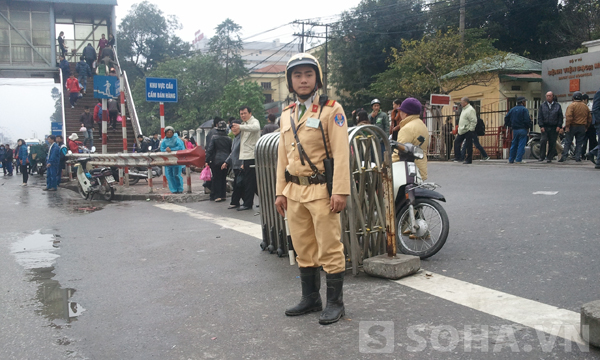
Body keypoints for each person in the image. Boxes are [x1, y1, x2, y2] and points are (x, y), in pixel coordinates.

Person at [274, 53, 350, 325]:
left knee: (329, 247)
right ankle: (311, 298)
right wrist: (280, 191)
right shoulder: (287, 114)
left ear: (317, 78)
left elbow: (342, 153)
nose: (303, 80)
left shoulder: (332, 109)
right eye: (297, 75)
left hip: (321, 191)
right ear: (290, 81)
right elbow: (283, 155)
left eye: (308, 74)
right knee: (303, 246)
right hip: (295, 191)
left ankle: (336, 303)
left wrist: (340, 190)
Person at [230, 106, 260, 211]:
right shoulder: (244, 124)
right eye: (241, 114)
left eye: (245, 113)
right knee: (252, 181)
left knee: (250, 181)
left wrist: (240, 127)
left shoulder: (254, 122)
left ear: (250, 113)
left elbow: (256, 128)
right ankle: (263, 200)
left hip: (252, 156)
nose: (243, 115)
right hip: (246, 157)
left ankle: (248, 204)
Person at [393, 98, 430, 179]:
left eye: (401, 111)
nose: (400, 113)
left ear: (406, 113)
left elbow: (399, 152)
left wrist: (385, 166)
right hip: (421, 168)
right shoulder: (422, 125)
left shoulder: (407, 128)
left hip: (409, 172)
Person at [559, 91, 591, 163]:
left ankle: (564, 156)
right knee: (579, 143)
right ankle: (577, 157)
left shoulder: (571, 106)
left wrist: (567, 126)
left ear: (573, 98)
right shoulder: (585, 107)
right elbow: (589, 118)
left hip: (572, 126)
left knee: (568, 141)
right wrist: (587, 126)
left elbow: (569, 116)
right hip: (582, 126)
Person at [205, 121, 232, 202]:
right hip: (226, 161)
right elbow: (231, 150)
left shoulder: (214, 138)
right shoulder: (229, 139)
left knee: (217, 178)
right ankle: (223, 195)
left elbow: (210, 150)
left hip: (216, 160)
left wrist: (207, 160)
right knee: (223, 178)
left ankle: (217, 195)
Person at [537, 91, 563, 163]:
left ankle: (549, 157)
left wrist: (559, 126)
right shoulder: (543, 105)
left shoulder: (557, 106)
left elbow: (560, 117)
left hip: (554, 127)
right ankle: (541, 156)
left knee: (552, 142)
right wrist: (541, 125)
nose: (548, 97)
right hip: (545, 126)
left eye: (550, 96)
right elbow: (540, 116)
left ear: (553, 96)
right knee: (543, 141)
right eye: (547, 96)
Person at [223, 120, 244, 209]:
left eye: (235, 127)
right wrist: (226, 162)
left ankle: (235, 202)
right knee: (241, 184)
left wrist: (243, 163)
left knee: (238, 184)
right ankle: (243, 201)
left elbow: (245, 151)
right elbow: (233, 153)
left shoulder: (243, 138)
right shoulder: (235, 138)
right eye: (232, 127)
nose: (233, 129)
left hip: (241, 165)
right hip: (235, 165)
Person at [505, 96, 532, 164]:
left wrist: (510, 125)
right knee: (521, 145)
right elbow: (526, 120)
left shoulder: (512, 109)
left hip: (515, 129)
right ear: (522, 102)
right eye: (524, 101)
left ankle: (511, 159)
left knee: (514, 144)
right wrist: (528, 126)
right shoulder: (524, 110)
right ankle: (518, 159)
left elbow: (506, 118)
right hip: (522, 129)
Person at [160, 126, 185, 193]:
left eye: (171, 132)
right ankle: (173, 189)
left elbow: (180, 147)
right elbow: (162, 148)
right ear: (165, 133)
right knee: (169, 175)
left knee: (176, 174)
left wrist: (171, 150)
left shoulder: (177, 139)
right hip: (168, 160)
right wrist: (166, 150)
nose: (169, 133)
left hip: (176, 159)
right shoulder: (164, 141)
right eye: (168, 132)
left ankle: (179, 188)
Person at [453, 97, 477, 164]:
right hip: (462, 130)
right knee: (457, 142)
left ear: (466, 103)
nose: (461, 103)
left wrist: (471, 129)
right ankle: (458, 157)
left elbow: (473, 120)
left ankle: (469, 159)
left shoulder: (470, 110)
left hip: (468, 130)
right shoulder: (464, 109)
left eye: (462, 102)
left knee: (469, 145)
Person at [581, 94, 597, 161]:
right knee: (583, 142)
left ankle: (590, 155)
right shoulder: (582, 106)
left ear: (586, 100)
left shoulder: (591, 106)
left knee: (592, 142)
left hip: (591, 127)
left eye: (582, 100)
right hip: (585, 126)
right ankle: (583, 155)